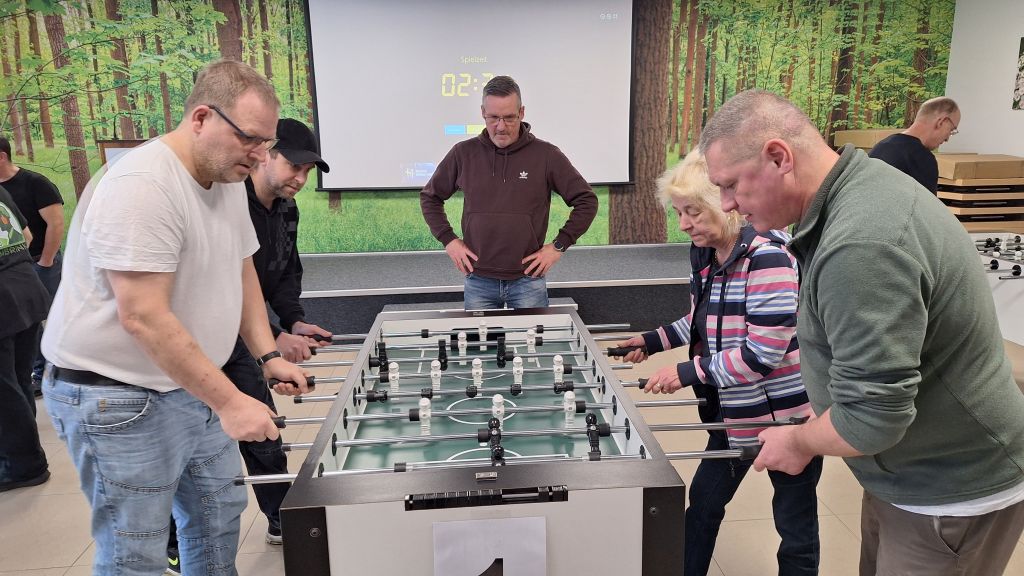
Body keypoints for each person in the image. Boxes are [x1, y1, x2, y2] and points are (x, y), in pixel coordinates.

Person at [700, 88, 1024, 576]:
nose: (726, 204)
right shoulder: (859, 190)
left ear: (779, 157)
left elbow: (873, 418)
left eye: (730, 185)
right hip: (909, 472)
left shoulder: (861, 242)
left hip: (950, 489)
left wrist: (799, 442)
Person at [41, 59, 311, 576]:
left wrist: (267, 355)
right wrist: (231, 401)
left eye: (266, 143)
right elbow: (143, 316)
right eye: (250, 139)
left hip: (190, 383)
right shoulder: (142, 184)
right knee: (136, 550)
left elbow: (241, 271)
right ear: (202, 118)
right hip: (117, 396)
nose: (260, 155)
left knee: (217, 515)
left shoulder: (227, 176)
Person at [615, 150, 821, 576]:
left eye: (693, 211)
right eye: (679, 212)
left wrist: (686, 371)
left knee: (795, 527)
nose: (684, 224)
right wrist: (653, 341)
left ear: (726, 204)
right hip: (732, 415)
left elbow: (761, 355)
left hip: (788, 422)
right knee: (703, 507)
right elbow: (702, 320)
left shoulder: (768, 257)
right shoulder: (707, 254)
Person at [165, 118, 333, 570]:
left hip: (245, 341)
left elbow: (285, 273)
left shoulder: (286, 209)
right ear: (266, 156)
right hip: (198, 341)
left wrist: (293, 321)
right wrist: (272, 340)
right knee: (187, 448)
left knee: (264, 429)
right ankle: (173, 542)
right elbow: (224, 286)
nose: (301, 178)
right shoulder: (229, 201)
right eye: (294, 166)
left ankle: (280, 519)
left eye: (308, 171)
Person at [420, 75, 598, 310]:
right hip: (478, 280)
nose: (501, 126)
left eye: (509, 117)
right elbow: (430, 197)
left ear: (521, 113)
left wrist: (558, 246)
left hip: (528, 280)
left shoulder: (546, 155)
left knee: (532, 337)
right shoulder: (463, 154)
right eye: (493, 118)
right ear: (483, 113)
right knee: (480, 337)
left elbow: (586, 201)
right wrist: (449, 240)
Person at [0, 135, 65, 392]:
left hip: (42, 261)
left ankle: (57, 372)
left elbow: (56, 224)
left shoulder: (35, 183)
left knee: (52, 320)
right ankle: (37, 374)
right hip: (20, 267)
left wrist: (46, 261)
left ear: (2, 156)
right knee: (29, 325)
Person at [0, 183, 51, 492]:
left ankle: (24, 464)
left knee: (5, 390)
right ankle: (23, 452)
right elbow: (27, 237)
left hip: (5, 300)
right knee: (17, 381)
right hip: (26, 289)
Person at [868, 97, 960, 194]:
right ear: (941, 122)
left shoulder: (880, 147)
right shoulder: (922, 159)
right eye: (951, 130)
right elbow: (925, 204)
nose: (947, 139)